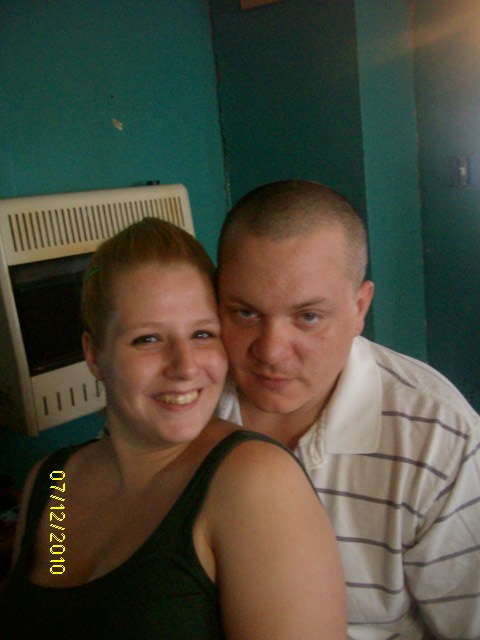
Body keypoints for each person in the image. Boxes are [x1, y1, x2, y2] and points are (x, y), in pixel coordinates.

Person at [0, 217, 346, 639]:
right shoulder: (54, 483)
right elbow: (56, 600)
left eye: (202, 334)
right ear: (94, 354)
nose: (185, 366)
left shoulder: (254, 482)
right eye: (148, 339)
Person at [215, 180, 480, 639]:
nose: (272, 351)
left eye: (308, 317)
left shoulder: (438, 437)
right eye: (245, 313)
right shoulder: (182, 403)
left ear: (359, 308)